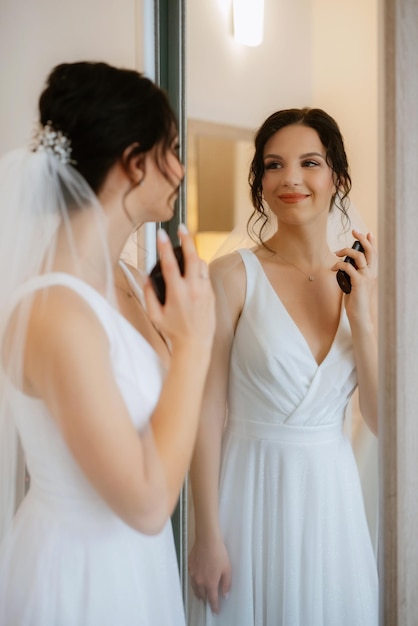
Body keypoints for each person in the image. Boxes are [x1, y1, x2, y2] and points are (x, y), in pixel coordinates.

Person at [0, 61, 215, 626]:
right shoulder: (56, 311)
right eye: (171, 150)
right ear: (133, 162)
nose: (181, 169)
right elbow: (147, 505)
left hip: (137, 565)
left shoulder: (122, 278)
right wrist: (194, 347)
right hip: (82, 576)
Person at [188, 108, 378, 625]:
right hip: (250, 492)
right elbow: (204, 412)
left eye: (309, 162)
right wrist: (206, 532)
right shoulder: (230, 275)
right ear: (260, 182)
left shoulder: (363, 281)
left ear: (336, 177)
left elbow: (382, 421)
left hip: (332, 501)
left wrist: (362, 317)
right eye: (274, 165)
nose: (290, 178)